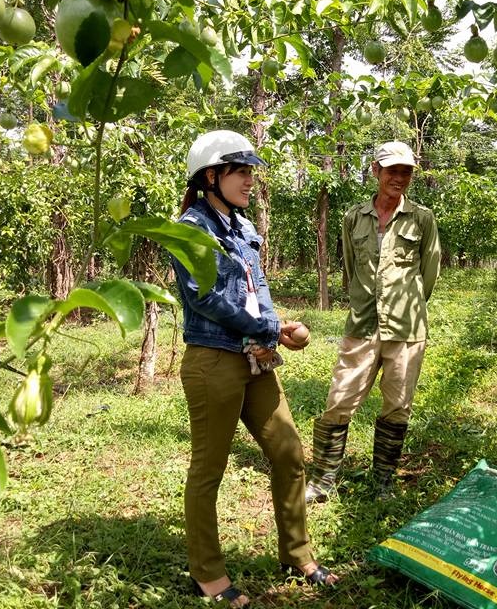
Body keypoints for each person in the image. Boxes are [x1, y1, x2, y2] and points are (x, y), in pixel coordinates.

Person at [170, 130, 338, 607]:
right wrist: (267, 331)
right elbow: (204, 297)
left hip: (254, 358)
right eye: (240, 171)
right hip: (214, 361)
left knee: (288, 452)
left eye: (250, 172)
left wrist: (278, 326)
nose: (249, 181)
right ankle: (207, 573)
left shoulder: (243, 228)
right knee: (210, 468)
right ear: (211, 176)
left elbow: (254, 289)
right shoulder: (190, 229)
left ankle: (297, 554)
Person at [305, 140, 441, 503]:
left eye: (406, 171)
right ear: (375, 170)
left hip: (406, 327)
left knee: (397, 405)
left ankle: (382, 481)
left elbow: (429, 273)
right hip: (363, 322)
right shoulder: (353, 217)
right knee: (340, 399)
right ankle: (322, 481)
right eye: (392, 170)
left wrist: (405, 303)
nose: (399, 177)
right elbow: (351, 267)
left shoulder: (422, 219)